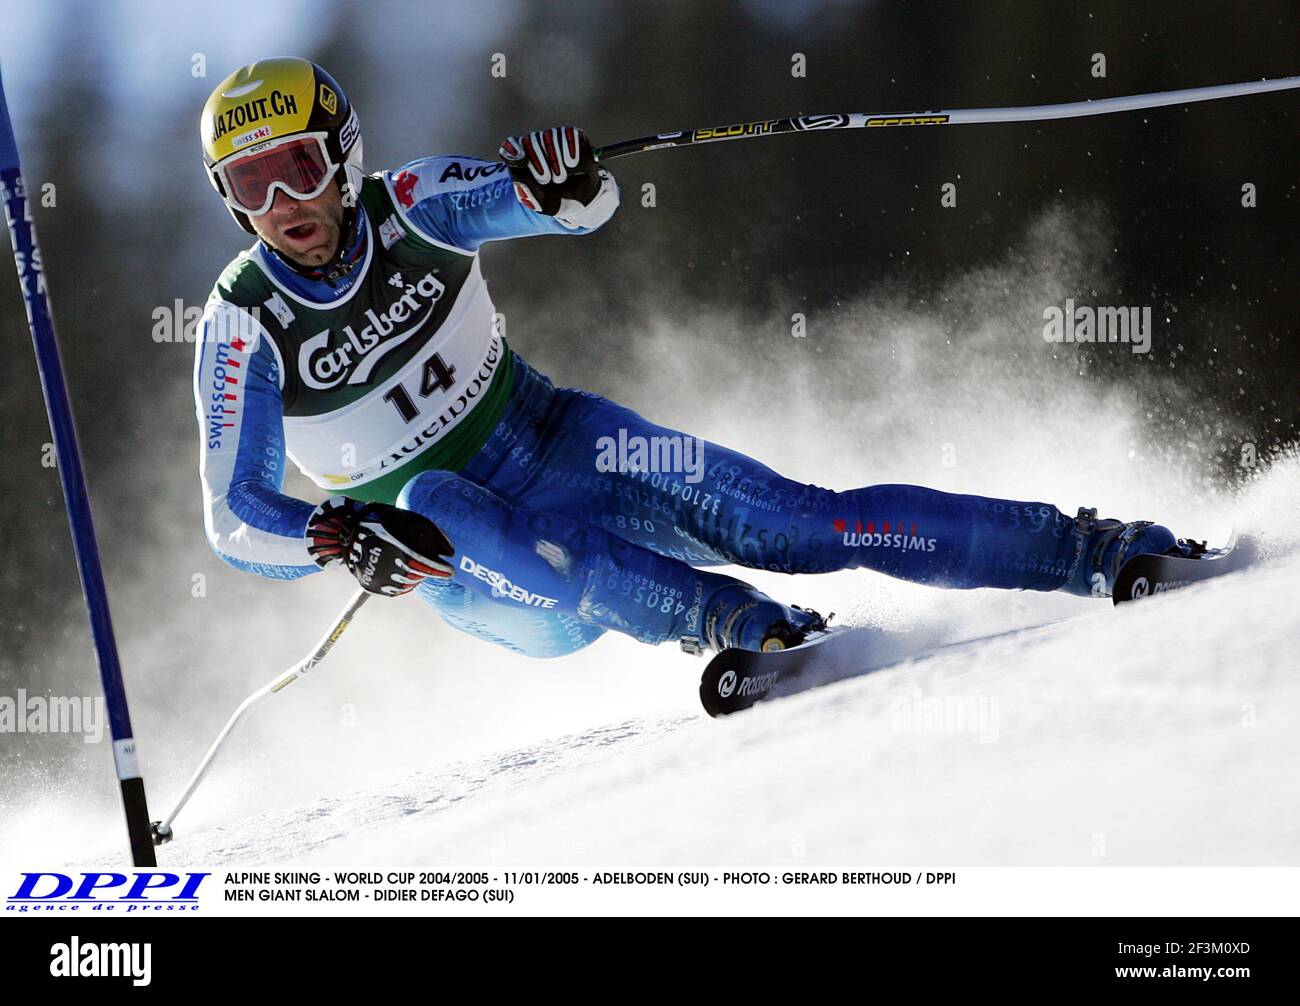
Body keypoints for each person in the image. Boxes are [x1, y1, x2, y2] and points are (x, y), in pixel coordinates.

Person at [194, 57, 1190, 659]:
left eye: (299, 168)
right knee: (437, 505)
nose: (283, 206)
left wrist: (562, 186)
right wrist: (334, 534)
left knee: (801, 520)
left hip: (564, 440)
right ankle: (738, 626)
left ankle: (1089, 549)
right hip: (491, 576)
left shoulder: (410, 200)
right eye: (249, 186)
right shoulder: (242, 321)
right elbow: (233, 518)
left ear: (346, 153)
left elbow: (576, 209)